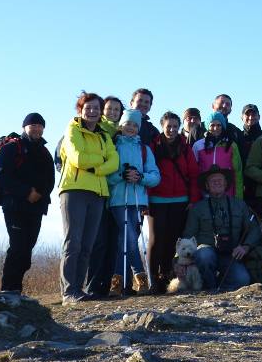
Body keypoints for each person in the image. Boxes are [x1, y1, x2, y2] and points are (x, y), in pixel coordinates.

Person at [58, 92, 119, 304]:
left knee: (87, 245)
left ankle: (78, 289)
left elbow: (115, 162)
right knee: (72, 242)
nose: (92, 111)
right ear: (80, 110)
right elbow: (77, 157)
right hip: (73, 190)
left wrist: (96, 167)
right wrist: (100, 163)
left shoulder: (103, 135)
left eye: (96, 108)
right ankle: (68, 291)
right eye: (88, 108)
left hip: (98, 192)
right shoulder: (73, 129)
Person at [0, 113, 55, 297]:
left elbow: (50, 180)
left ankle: (16, 290)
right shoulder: (12, 148)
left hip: (36, 207)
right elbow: (3, 177)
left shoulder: (44, 152)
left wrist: (39, 194)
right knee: (18, 247)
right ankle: (8, 290)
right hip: (15, 206)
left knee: (27, 248)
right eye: (33, 125)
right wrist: (26, 192)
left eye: (40, 125)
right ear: (24, 127)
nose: (37, 128)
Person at [182, 166, 262, 290]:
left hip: (232, 254)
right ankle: (209, 288)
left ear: (226, 184)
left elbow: (254, 229)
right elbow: (188, 236)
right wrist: (180, 260)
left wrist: (246, 246)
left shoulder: (239, 205)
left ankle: (220, 288)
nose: (216, 182)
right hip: (207, 251)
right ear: (207, 186)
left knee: (243, 279)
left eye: (220, 180)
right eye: (212, 180)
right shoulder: (197, 208)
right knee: (204, 256)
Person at [108, 110, 161, 294]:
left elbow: (155, 176)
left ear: (138, 128)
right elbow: (106, 175)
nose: (130, 128)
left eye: (134, 125)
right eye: (127, 124)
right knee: (130, 238)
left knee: (125, 240)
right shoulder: (113, 146)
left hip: (138, 201)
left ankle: (117, 282)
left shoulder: (145, 150)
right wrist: (121, 176)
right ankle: (141, 279)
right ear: (121, 125)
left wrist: (140, 177)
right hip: (117, 200)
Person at [147, 111, 200, 294]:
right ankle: (153, 279)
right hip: (157, 199)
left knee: (173, 241)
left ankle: (169, 276)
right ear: (162, 126)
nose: (171, 130)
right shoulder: (153, 146)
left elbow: (193, 174)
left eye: (175, 127)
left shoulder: (185, 147)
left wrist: (193, 199)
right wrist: (146, 200)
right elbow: (148, 170)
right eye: (168, 126)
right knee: (156, 240)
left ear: (179, 128)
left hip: (180, 200)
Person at [192, 112, 243, 199]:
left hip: (227, 193)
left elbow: (237, 172)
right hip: (205, 194)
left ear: (223, 126)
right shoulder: (198, 145)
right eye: (212, 125)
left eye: (219, 125)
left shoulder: (231, 145)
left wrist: (239, 196)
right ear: (207, 127)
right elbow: (193, 172)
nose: (215, 128)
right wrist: (195, 196)